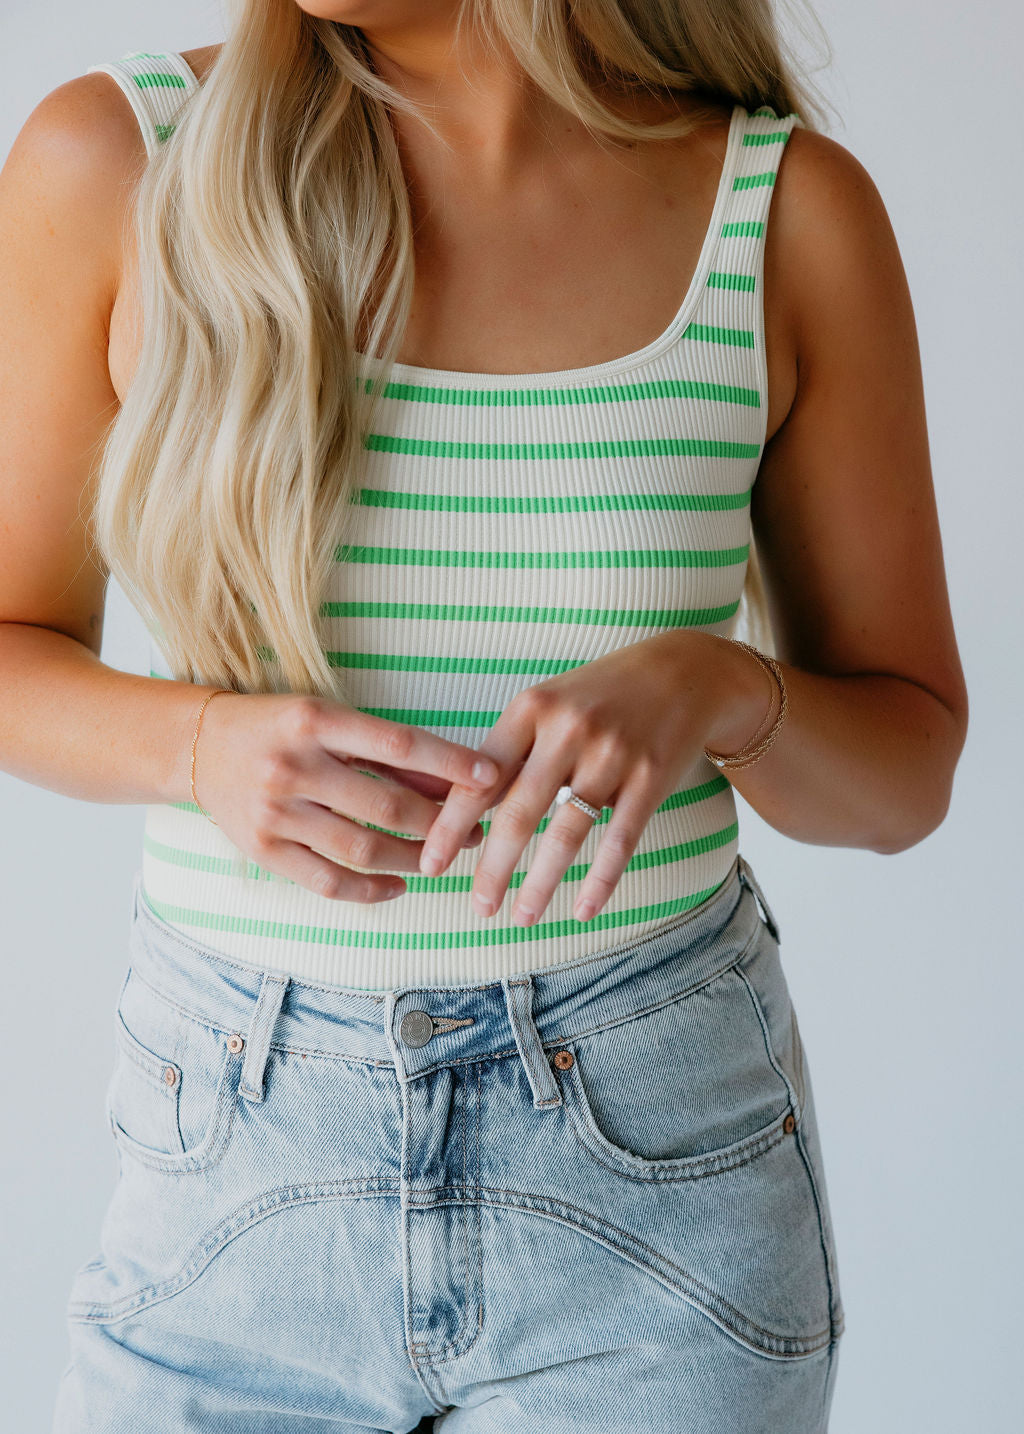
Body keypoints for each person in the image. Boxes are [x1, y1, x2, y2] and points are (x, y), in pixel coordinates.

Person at [0, 2, 967, 1430]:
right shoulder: (119, 160)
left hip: (656, 1166)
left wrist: (720, 685)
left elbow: (906, 772)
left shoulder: (781, 217)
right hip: (231, 1158)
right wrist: (197, 748)